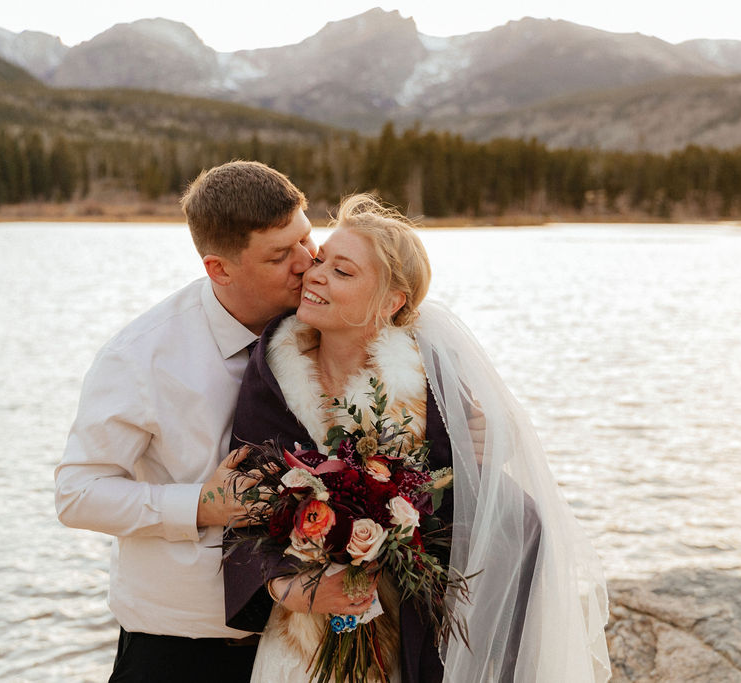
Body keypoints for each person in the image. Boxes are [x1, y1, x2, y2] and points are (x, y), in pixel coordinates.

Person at [223, 195, 612, 682]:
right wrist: (291, 588)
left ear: (390, 302)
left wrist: (489, 459)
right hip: (300, 642)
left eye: (342, 272)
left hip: (408, 639)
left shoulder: (430, 391)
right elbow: (246, 511)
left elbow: (498, 517)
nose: (314, 275)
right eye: (319, 260)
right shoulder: (272, 374)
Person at [54, 160, 317, 682]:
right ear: (220, 269)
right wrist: (201, 506)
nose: (308, 263)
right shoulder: (140, 357)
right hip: (180, 652)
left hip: (299, 648)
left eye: (308, 239)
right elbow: (76, 493)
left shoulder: (324, 328)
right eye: (280, 256)